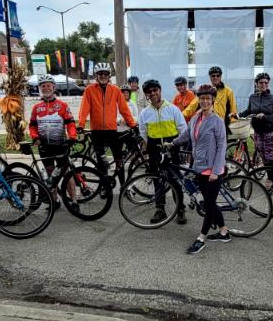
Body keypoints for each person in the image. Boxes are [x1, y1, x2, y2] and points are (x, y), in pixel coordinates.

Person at [170, 84, 230, 254]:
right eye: (201, 98)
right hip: (199, 167)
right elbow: (187, 134)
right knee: (209, 202)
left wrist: (216, 171)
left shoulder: (217, 121)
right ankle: (224, 231)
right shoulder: (196, 117)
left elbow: (222, 147)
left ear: (212, 101)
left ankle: (201, 238)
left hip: (212, 170)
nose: (204, 101)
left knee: (209, 206)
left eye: (207, 99)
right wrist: (172, 143)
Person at [138, 79, 189, 225]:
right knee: (157, 179)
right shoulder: (144, 113)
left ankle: (180, 209)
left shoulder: (172, 109)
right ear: (146, 95)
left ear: (160, 91)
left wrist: (181, 147)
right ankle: (160, 209)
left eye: (155, 90)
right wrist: (144, 146)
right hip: (154, 149)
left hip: (171, 147)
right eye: (149, 92)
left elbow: (183, 129)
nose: (153, 93)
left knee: (175, 180)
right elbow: (143, 132)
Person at [77, 62, 138, 181]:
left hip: (111, 130)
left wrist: (132, 124)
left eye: (105, 74)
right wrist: (81, 124)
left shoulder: (115, 90)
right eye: (100, 74)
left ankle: (123, 186)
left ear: (109, 76)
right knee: (101, 160)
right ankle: (104, 186)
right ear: (96, 76)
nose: (103, 76)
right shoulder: (89, 90)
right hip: (97, 131)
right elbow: (84, 108)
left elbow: (124, 109)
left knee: (118, 159)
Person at [28, 74, 78, 194]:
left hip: (60, 145)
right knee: (51, 175)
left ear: (54, 87)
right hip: (44, 146)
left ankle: (73, 201)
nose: (46, 88)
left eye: (49, 86)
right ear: (40, 88)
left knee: (66, 174)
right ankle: (53, 201)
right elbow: (32, 126)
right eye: (43, 86)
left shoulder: (62, 106)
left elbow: (70, 123)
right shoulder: (36, 107)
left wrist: (72, 137)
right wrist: (35, 137)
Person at [240, 72, 273, 168]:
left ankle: (270, 178)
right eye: (261, 83)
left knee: (267, 157)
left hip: (269, 131)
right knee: (261, 153)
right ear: (256, 84)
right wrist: (237, 114)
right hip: (257, 131)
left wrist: (265, 117)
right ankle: (260, 167)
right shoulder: (252, 97)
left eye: (266, 82)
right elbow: (249, 111)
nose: (263, 85)